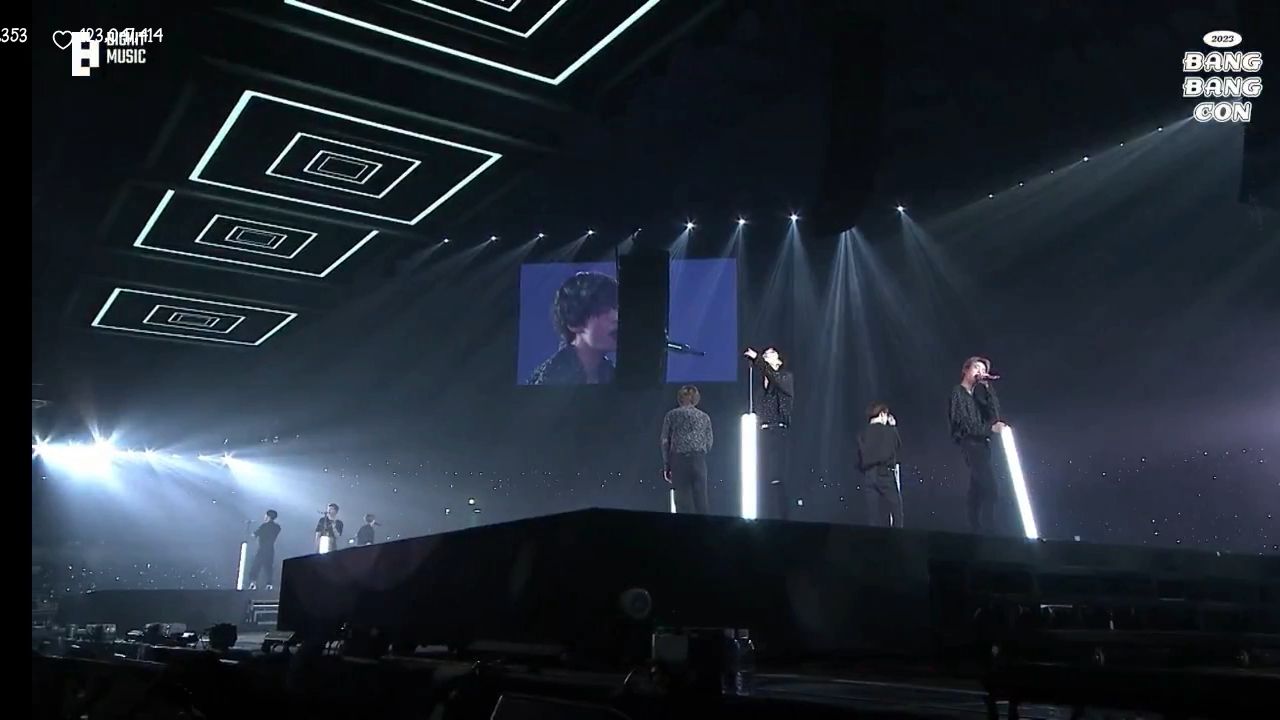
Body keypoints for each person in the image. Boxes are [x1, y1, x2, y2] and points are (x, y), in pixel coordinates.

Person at [948, 356, 1009, 533]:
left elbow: (994, 414)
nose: (980, 372)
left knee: (976, 490)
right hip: (971, 444)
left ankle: (973, 528)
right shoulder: (958, 392)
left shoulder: (976, 398)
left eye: (983, 370)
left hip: (982, 444)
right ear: (966, 370)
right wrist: (990, 429)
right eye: (976, 367)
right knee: (991, 489)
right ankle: (989, 530)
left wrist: (988, 387)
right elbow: (965, 424)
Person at [527, 272, 619, 385]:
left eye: (616, 308)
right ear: (574, 324)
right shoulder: (551, 379)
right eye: (604, 311)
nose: (616, 317)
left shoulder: (611, 373)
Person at [744, 346, 794, 519]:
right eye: (765, 353)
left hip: (778, 432)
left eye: (771, 353)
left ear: (779, 361)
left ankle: (781, 516)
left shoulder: (785, 378)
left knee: (777, 477)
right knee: (762, 477)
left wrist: (757, 358)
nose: (766, 354)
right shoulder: (760, 387)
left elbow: (774, 377)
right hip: (762, 433)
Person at [661, 385, 714, 514]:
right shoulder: (705, 417)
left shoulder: (672, 415)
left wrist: (667, 464)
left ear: (680, 398)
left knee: (682, 503)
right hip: (698, 460)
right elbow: (709, 442)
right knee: (701, 502)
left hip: (679, 461)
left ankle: (684, 527)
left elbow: (665, 441)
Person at [858, 403, 904, 528]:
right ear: (882, 414)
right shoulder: (888, 431)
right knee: (896, 511)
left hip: (868, 475)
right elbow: (897, 445)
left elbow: (859, 458)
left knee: (873, 516)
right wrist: (893, 427)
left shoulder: (862, 434)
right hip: (885, 474)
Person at [247, 509, 280, 591]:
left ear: (268, 516)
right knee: (268, 567)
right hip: (270, 549)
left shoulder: (264, 526)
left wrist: (249, 527)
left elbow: (254, 535)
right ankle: (269, 584)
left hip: (262, 549)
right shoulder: (277, 527)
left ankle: (253, 583)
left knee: (256, 566)